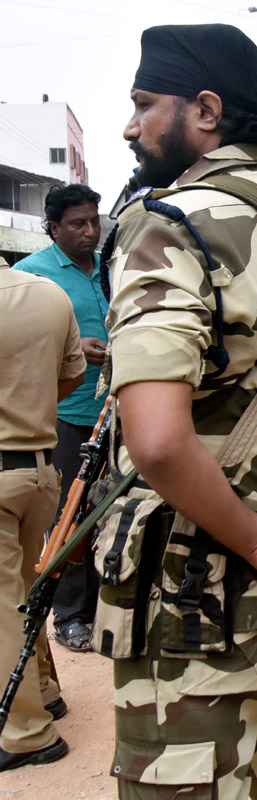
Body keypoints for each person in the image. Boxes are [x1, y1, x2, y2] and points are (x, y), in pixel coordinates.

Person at [96, 24, 257, 799]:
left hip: (202, 576)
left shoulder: (172, 223)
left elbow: (161, 444)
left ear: (206, 111)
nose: (130, 126)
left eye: (144, 104)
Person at [14, 183, 109, 653]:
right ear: (52, 228)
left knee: (107, 512)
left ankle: (106, 606)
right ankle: (69, 615)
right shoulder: (31, 278)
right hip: (68, 416)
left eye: (94, 220)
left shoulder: (108, 267)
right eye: (77, 224)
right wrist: (74, 355)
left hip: (116, 409)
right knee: (68, 516)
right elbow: (22, 350)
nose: (90, 231)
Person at [0, 256, 85, 770]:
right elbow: (74, 372)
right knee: (25, 598)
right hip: (38, 469)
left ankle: (27, 733)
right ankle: (45, 690)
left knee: (3, 607)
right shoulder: (49, 293)